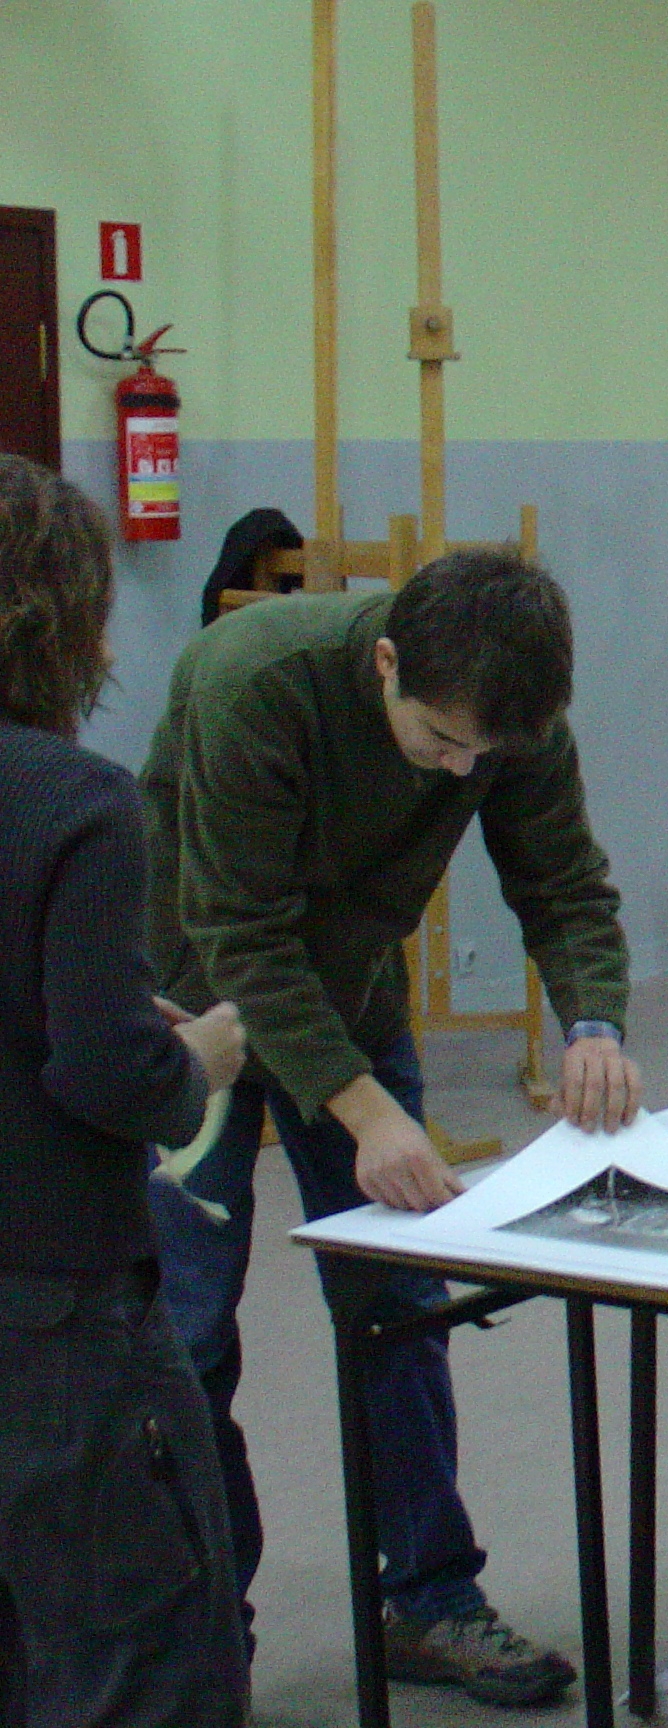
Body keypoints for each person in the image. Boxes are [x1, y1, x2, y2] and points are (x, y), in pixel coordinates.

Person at [142, 550, 644, 1707]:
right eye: (442, 742)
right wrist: (366, 1111)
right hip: (196, 1016)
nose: (464, 770)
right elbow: (238, 932)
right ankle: (202, 1631)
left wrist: (595, 1026)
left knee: (401, 1307)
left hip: (353, 994)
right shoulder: (253, 683)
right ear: (384, 664)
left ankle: (429, 1599)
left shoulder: (505, 711)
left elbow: (564, 882)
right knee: (187, 1328)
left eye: (484, 755)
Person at [0, 454, 252, 1726]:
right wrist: (193, 1064)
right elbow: (102, 1070)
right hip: (52, 1294)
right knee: (134, 1647)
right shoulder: (77, 801)